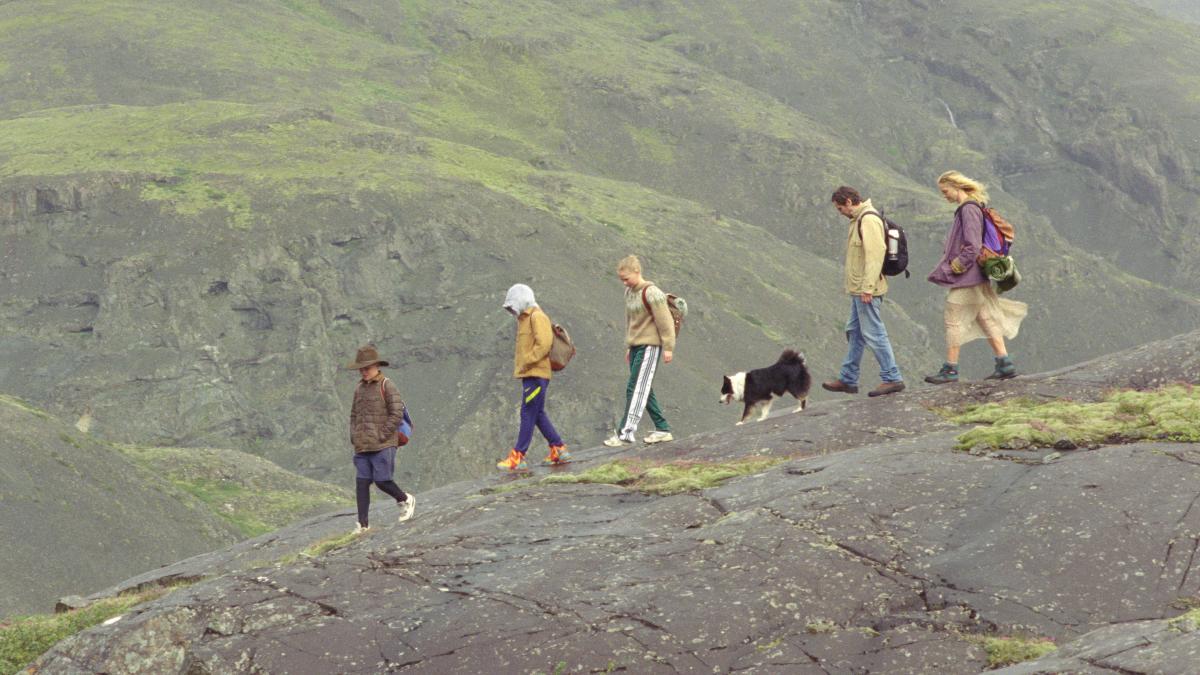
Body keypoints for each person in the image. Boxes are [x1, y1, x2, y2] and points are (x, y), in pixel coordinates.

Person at [925, 171, 1028, 383]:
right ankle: (1005, 364)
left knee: (953, 319)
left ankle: (950, 370)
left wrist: (957, 265)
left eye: (945, 191)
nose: (944, 195)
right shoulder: (973, 207)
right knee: (985, 316)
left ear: (956, 186)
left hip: (968, 276)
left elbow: (973, 245)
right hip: (976, 275)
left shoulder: (968, 209)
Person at [821, 186, 906, 398]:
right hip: (860, 289)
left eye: (840, 208)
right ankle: (848, 378)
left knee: (874, 333)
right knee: (855, 332)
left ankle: (892, 377)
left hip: (866, 289)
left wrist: (868, 287)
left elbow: (875, 255)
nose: (840, 212)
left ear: (849, 202)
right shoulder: (858, 220)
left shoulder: (868, 220)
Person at [604, 255, 676, 447]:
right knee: (644, 388)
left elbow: (665, 322)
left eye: (626, 278)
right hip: (636, 346)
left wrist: (668, 347)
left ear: (637, 272)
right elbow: (631, 321)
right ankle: (663, 429)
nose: (624, 282)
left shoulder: (652, 293)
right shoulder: (629, 292)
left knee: (635, 387)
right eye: (622, 279)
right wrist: (629, 345)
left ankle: (625, 433)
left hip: (650, 346)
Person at [497, 284, 570, 471]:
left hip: (536, 374)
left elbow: (544, 344)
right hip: (531, 374)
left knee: (527, 413)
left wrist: (528, 361)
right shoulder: (525, 318)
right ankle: (558, 448)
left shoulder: (537, 316)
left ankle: (518, 456)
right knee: (537, 413)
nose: (512, 310)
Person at [347, 345, 415, 533]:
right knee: (362, 483)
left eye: (367, 368)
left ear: (377, 366)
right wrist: (354, 436)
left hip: (383, 444)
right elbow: (354, 414)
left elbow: (397, 413)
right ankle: (363, 525)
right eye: (361, 369)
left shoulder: (387, 385)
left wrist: (382, 435)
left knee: (382, 480)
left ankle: (405, 499)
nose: (364, 372)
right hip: (362, 446)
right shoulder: (359, 388)